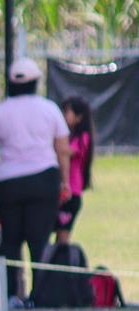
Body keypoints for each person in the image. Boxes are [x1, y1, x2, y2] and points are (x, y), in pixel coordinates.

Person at [0, 57, 71, 306]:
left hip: (8, 181)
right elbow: (62, 148)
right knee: (39, 240)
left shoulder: (0, 111)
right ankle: (40, 295)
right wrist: (65, 180)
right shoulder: (49, 108)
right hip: (43, 179)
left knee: (10, 240)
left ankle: (9, 296)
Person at [56, 96, 94, 245]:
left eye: (67, 112)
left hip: (71, 193)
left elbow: (65, 151)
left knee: (63, 238)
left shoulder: (83, 138)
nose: (63, 116)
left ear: (79, 117)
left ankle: (62, 264)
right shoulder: (65, 137)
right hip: (58, 191)